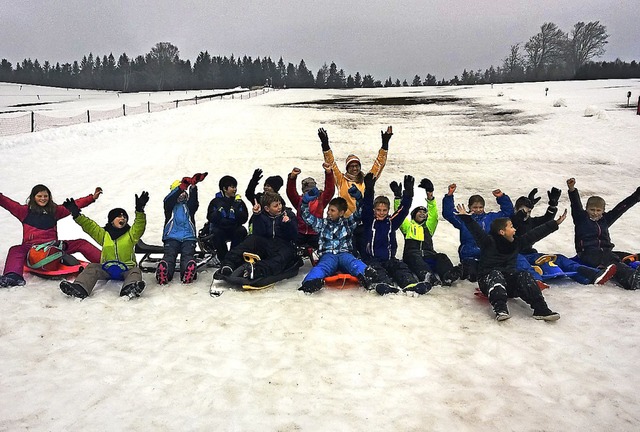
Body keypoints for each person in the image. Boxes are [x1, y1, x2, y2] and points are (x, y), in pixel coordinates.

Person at [456, 203, 564, 321]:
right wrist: (466, 217)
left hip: (509, 283)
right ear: (502, 232)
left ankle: (541, 309)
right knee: (495, 274)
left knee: (524, 275)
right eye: (511, 227)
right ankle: (500, 309)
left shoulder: (516, 243)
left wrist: (554, 224)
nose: (515, 229)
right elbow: (476, 231)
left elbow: (535, 234)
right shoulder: (488, 242)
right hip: (488, 282)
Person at [0, 184, 102, 287]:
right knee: (16, 250)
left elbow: (74, 204)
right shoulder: (23, 211)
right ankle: (13, 276)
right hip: (31, 248)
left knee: (81, 243)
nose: (43, 199)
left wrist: (92, 198)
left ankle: (107, 261)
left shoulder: (54, 211)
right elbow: (7, 203)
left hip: (54, 247)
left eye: (45, 196)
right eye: (39, 196)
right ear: (33, 197)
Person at [512, 187, 616, 286]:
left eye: (529, 211)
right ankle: (535, 281)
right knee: (521, 260)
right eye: (522, 211)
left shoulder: (529, 222)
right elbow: (515, 224)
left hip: (530, 255)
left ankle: (594, 274)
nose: (526, 214)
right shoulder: (508, 224)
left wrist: (552, 206)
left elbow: (545, 221)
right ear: (515, 210)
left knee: (559, 259)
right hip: (513, 257)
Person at [58, 191, 149, 299]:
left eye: (124, 217)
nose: (123, 218)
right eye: (119, 216)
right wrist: (77, 214)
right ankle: (80, 288)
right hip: (107, 269)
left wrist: (140, 210)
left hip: (126, 269)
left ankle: (130, 288)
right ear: (111, 220)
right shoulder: (104, 235)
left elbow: (139, 226)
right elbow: (90, 226)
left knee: (136, 271)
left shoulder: (130, 234)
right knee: (92, 267)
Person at [358, 173, 430, 295]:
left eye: (384, 210)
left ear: (388, 210)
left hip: (389, 258)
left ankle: (410, 284)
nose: (381, 213)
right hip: (372, 259)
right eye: (378, 210)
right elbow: (367, 205)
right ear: (374, 210)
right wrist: (369, 189)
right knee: (376, 271)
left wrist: (408, 193)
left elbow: (403, 209)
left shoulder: (391, 222)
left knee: (400, 268)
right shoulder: (369, 221)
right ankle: (385, 284)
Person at [297, 185, 378, 293]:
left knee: (353, 263)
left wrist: (359, 199)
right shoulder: (322, 223)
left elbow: (360, 212)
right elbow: (306, 216)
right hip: (328, 255)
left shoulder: (348, 223)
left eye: (332, 210)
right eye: (328, 210)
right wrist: (305, 202)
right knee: (322, 268)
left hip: (344, 254)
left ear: (341, 213)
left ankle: (367, 275)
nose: (328, 213)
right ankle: (310, 283)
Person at [567, 178, 640, 290]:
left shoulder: (605, 220)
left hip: (605, 251)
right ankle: (631, 279)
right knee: (612, 261)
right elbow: (575, 204)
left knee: (625, 255)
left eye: (598, 210)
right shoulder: (581, 218)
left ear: (603, 210)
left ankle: (632, 270)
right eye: (592, 210)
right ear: (586, 209)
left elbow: (621, 207)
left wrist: (637, 195)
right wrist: (572, 189)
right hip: (588, 253)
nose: (595, 213)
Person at [214, 191, 298, 281]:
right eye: (275, 206)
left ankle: (257, 271)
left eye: (280, 204)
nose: (279, 207)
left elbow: (294, 235)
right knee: (250, 240)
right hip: (267, 244)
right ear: (267, 208)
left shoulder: (288, 214)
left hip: (282, 245)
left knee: (282, 257)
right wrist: (257, 216)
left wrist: (288, 223)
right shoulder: (262, 215)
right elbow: (258, 233)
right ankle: (228, 264)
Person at [395, 178, 461, 287]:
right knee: (415, 257)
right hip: (412, 258)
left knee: (441, 256)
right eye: (419, 212)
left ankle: (448, 275)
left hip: (428, 256)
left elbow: (434, 215)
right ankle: (428, 276)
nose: (422, 214)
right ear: (413, 215)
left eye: (424, 212)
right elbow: (400, 214)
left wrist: (430, 196)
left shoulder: (428, 227)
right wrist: (398, 198)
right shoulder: (408, 227)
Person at [442, 183, 514, 283]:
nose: (478, 210)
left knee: (496, 270)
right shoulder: (464, 219)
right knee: (472, 275)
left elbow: (508, 213)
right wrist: (449, 196)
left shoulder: (491, 218)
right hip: (469, 254)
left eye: (481, 207)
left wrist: (502, 197)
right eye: (475, 207)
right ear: (469, 207)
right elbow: (448, 213)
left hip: (487, 255)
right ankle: (459, 270)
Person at [319, 126, 391, 217]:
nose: (354, 168)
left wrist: (385, 144)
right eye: (351, 166)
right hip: (345, 222)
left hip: (363, 220)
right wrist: (325, 145)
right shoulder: (341, 180)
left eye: (357, 166)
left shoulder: (367, 180)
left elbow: (379, 164)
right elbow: (331, 163)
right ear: (347, 168)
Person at [156, 173, 207, 285]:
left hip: (188, 237)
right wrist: (181, 187)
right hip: (172, 236)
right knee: (170, 255)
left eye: (184, 192)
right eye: (179, 192)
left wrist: (193, 186)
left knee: (188, 255)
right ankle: (164, 272)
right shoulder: (170, 207)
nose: (182, 194)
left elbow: (194, 202)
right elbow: (168, 200)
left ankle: (187, 271)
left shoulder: (189, 206)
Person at [286, 163, 335, 250]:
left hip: (315, 233)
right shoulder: (299, 201)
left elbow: (330, 190)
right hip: (300, 232)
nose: (309, 194)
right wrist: (292, 178)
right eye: (307, 192)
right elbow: (291, 192)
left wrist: (329, 173)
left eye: (311, 192)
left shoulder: (321, 200)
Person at [201, 175, 249, 261]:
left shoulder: (238, 202)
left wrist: (236, 211)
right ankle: (223, 259)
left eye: (235, 187)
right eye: (232, 187)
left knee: (241, 230)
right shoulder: (216, 201)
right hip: (220, 228)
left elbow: (244, 218)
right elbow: (210, 217)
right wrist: (218, 212)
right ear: (224, 188)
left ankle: (233, 257)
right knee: (216, 233)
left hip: (234, 228)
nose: (235, 189)